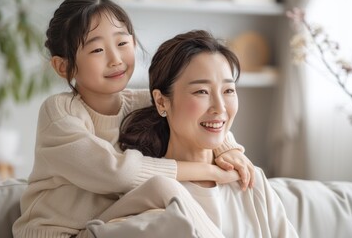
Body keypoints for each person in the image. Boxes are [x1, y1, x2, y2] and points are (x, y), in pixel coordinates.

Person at [12, 0, 256, 237]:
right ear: (63, 66)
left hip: (108, 225)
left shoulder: (142, 102)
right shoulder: (59, 112)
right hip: (59, 233)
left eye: (122, 43)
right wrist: (208, 171)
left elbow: (194, 112)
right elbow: (115, 173)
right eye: (97, 49)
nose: (116, 59)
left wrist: (227, 149)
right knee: (162, 188)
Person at [119, 30, 299, 237]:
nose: (220, 107)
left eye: (228, 90)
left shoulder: (251, 179)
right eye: (201, 91)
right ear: (161, 102)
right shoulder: (149, 192)